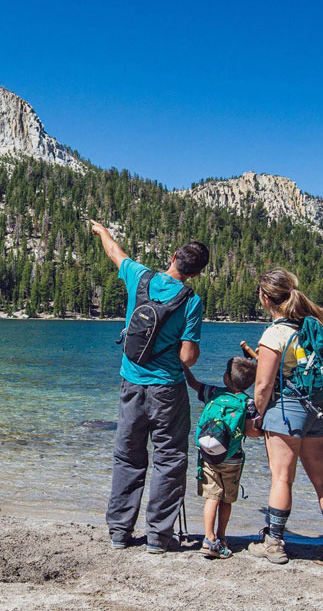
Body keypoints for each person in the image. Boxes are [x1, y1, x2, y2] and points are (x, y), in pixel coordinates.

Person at [90, 220, 209, 553]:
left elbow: (115, 253)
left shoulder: (140, 277)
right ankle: (158, 536)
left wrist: (102, 232)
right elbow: (188, 356)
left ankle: (119, 532)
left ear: (172, 257)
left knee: (127, 457)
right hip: (167, 390)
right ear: (196, 273)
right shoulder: (191, 301)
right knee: (169, 460)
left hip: (131, 384)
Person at [249, 268, 323, 565]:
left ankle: (275, 543)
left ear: (266, 298)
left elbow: (264, 385)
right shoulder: (313, 326)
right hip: (319, 409)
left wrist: (257, 412)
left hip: (286, 409)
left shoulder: (275, 333)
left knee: (282, 477)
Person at [184, 357, 259, 559]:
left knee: (212, 497)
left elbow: (193, 384)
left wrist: (183, 366)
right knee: (226, 499)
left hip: (208, 456)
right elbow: (252, 431)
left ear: (226, 377)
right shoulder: (248, 403)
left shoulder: (214, 393)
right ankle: (221, 537)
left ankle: (209, 539)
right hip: (232, 458)